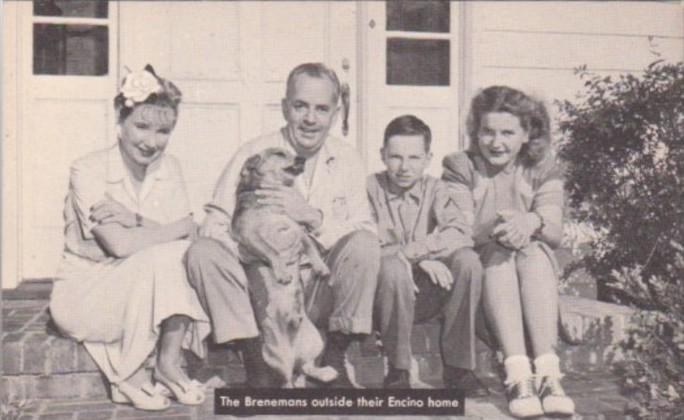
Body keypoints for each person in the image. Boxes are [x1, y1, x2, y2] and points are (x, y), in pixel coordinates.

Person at [185, 62, 380, 388]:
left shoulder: (347, 159)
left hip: (317, 288)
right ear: (285, 107)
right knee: (202, 252)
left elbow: (365, 228)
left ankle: (334, 357)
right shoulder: (254, 154)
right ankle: (256, 361)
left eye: (321, 109)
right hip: (261, 291)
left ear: (335, 112)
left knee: (364, 244)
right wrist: (255, 252)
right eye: (300, 106)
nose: (310, 118)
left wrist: (313, 218)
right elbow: (216, 222)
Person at [49, 66, 210, 410]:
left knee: (177, 253)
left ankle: (166, 364)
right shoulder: (88, 169)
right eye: (141, 126)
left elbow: (191, 235)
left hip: (142, 287)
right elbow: (118, 246)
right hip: (87, 296)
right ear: (120, 122)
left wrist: (136, 219)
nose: (151, 142)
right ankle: (132, 372)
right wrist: (174, 226)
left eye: (163, 131)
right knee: (168, 253)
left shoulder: (171, 168)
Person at [442, 86, 575, 418]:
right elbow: (458, 230)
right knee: (502, 257)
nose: (496, 142)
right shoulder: (460, 166)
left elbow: (555, 231)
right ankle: (517, 375)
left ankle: (547, 375)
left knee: (534, 254)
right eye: (487, 131)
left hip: (532, 274)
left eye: (507, 132)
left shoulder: (543, 167)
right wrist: (504, 227)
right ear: (476, 131)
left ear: (527, 133)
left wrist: (530, 220)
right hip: (486, 280)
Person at [367, 115, 486, 395]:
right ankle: (398, 369)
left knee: (468, 261)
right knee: (393, 267)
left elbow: (460, 232)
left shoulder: (437, 188)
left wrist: (417, 252)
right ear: (382, 155)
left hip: (429, 292)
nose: (404, 167)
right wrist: (414, 258)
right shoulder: (369, 188)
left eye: (414, 157)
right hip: (383, 296)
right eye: (395, 157)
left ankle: (459, 368)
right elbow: (368, 243)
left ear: (428, 158)